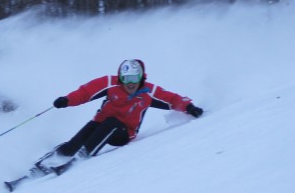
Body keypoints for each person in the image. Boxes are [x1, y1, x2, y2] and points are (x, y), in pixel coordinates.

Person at [37, 59, 203, 172]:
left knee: (113, 122)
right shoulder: (110, 83)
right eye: (126, 79)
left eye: (134, 79)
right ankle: (41, 166)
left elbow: (171, 99)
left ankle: (80, 158)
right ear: (121, 78)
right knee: (75, 141)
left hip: (123, 133)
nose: (130, 83)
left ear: (141, 78)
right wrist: (66, 100)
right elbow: (86, 92)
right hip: (100, 126)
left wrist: (189, 106)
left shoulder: (147, 92)